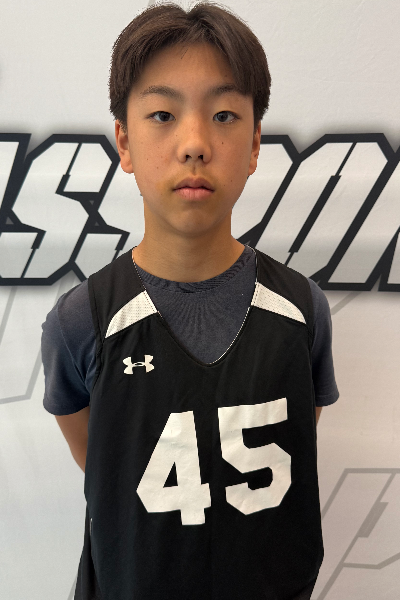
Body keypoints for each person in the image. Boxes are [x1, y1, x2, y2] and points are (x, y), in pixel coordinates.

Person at [41, 3, 339, 599]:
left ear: (255, 143)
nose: (196, 143)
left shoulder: (300, 311)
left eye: (224, 115)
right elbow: (101, 462)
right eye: (163, 114)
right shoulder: (81, 322)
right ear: (124, 142)